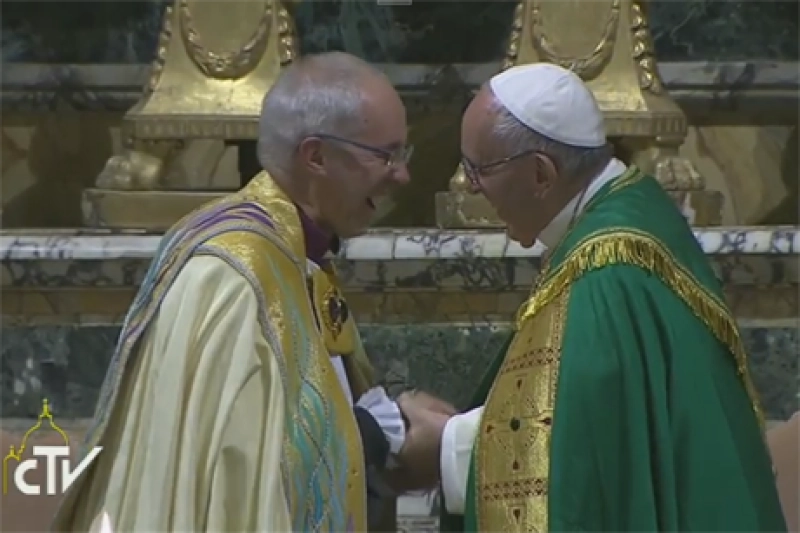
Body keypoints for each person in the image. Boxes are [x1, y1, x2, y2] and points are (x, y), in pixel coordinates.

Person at [50, 51, 454, 533]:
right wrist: (377, 434)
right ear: (316, 157)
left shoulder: (295, 254)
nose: (402, 175)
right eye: (384, 155)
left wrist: (386, 432)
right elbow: (241, 479)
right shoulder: (232, 278)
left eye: (403, 154)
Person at [401, 63, 789, 532]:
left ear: (541, 173)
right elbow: (602, 411)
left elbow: (584, 452)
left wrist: (447, 446)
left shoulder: (606, 276)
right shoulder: (634, 207)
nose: (471, 187)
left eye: (479, 170)